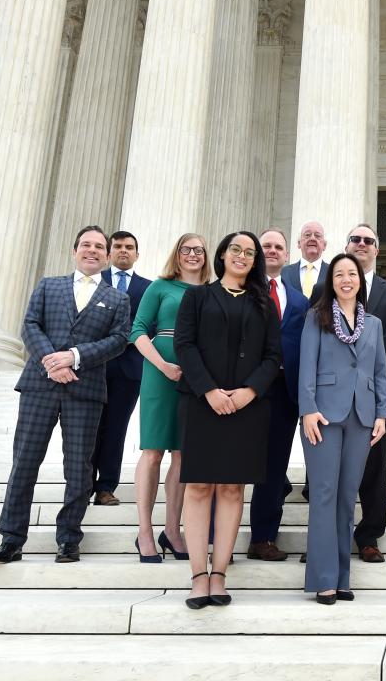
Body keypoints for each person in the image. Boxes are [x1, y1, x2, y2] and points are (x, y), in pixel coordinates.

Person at [0, 226, 130, 565]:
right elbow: (30, 325)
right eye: (86, 245)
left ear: (108, 256)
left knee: (79, 469)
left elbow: (119, 339)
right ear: (75, 250)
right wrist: (52, 361)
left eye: (99, 247)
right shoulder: (49, 285)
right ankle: (11, 539)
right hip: (40, 384)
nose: (92, 250)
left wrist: (75, 356)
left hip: (85, 391)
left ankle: (68, 538)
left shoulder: (117, 299)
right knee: (24, 463)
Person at [174, 231, 282, 608]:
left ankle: (219, 573)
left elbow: (273, 356)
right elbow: (183, 346)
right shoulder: (197, 297)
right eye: (236, 249)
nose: (242, 256)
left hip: (247, 407)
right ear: (221, 255)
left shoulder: (264, 303)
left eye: (249, 253)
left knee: (233, 489)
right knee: (200, 487)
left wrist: (249, 391)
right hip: (202, 403)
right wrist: (209, 391)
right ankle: (198, 575)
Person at [299, 253, 386, 603]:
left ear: (360, 280)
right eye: (339, 274)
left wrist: (382, 412)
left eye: (352, 273)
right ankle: (323, 578)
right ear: (331, 281)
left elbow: (380, 372)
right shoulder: (316, 318)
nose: (346, 279)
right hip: (323, 416)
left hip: (362, 417)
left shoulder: (375, 324)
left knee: (346, 497)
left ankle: (342, 577)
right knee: (324, 494)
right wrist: (307, 409)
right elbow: (306, 366)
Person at [128, 233, 210, 562]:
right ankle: (144, 531)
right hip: (159, 372)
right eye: (186, 249)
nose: (192, 255)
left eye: (199, 250)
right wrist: (162, 365)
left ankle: (172, 530)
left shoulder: (208, 293)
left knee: (181, 455)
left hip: (194, 374)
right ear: (177, 254)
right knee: (153, 452)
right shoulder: (160, 287)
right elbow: (137, 330)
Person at [344, 224, 386, 563]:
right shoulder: (327, 287)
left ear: (376, 249)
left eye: (369, 241)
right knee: (333, 472)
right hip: (334, 395)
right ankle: (332, 535)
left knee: (372, 468)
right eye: (356, 239)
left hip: (374, 397)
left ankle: (369, 536)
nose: (362, 244)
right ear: (347, 245)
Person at [248, 228, 310, 562]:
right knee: (235, 465)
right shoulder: (241, 290)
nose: (272, 251)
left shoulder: (299, 300)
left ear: (288, 256)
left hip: (285, 392)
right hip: (245, 390)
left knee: (274, 466)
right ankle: (216, 535)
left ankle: (263, 537)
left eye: (278, 247)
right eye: (266, 246)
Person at [91, 231, 151, 506]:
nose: (123, 251)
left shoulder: (148, 288)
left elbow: (148, 325)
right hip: (94, 366)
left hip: (129, 368)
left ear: (137, 254)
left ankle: (106, 486)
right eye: (118, 246)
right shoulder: (93, 282)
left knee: (116, 428)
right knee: (88, 426)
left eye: (129, 247)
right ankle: (82, 483)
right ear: (108, 252)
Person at [282, 220, 329, 302]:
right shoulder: (283, 273)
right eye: (307, 235)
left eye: (317, 236)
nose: (312, 238)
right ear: (299, 243)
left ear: (324, 245)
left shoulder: (333, 272)